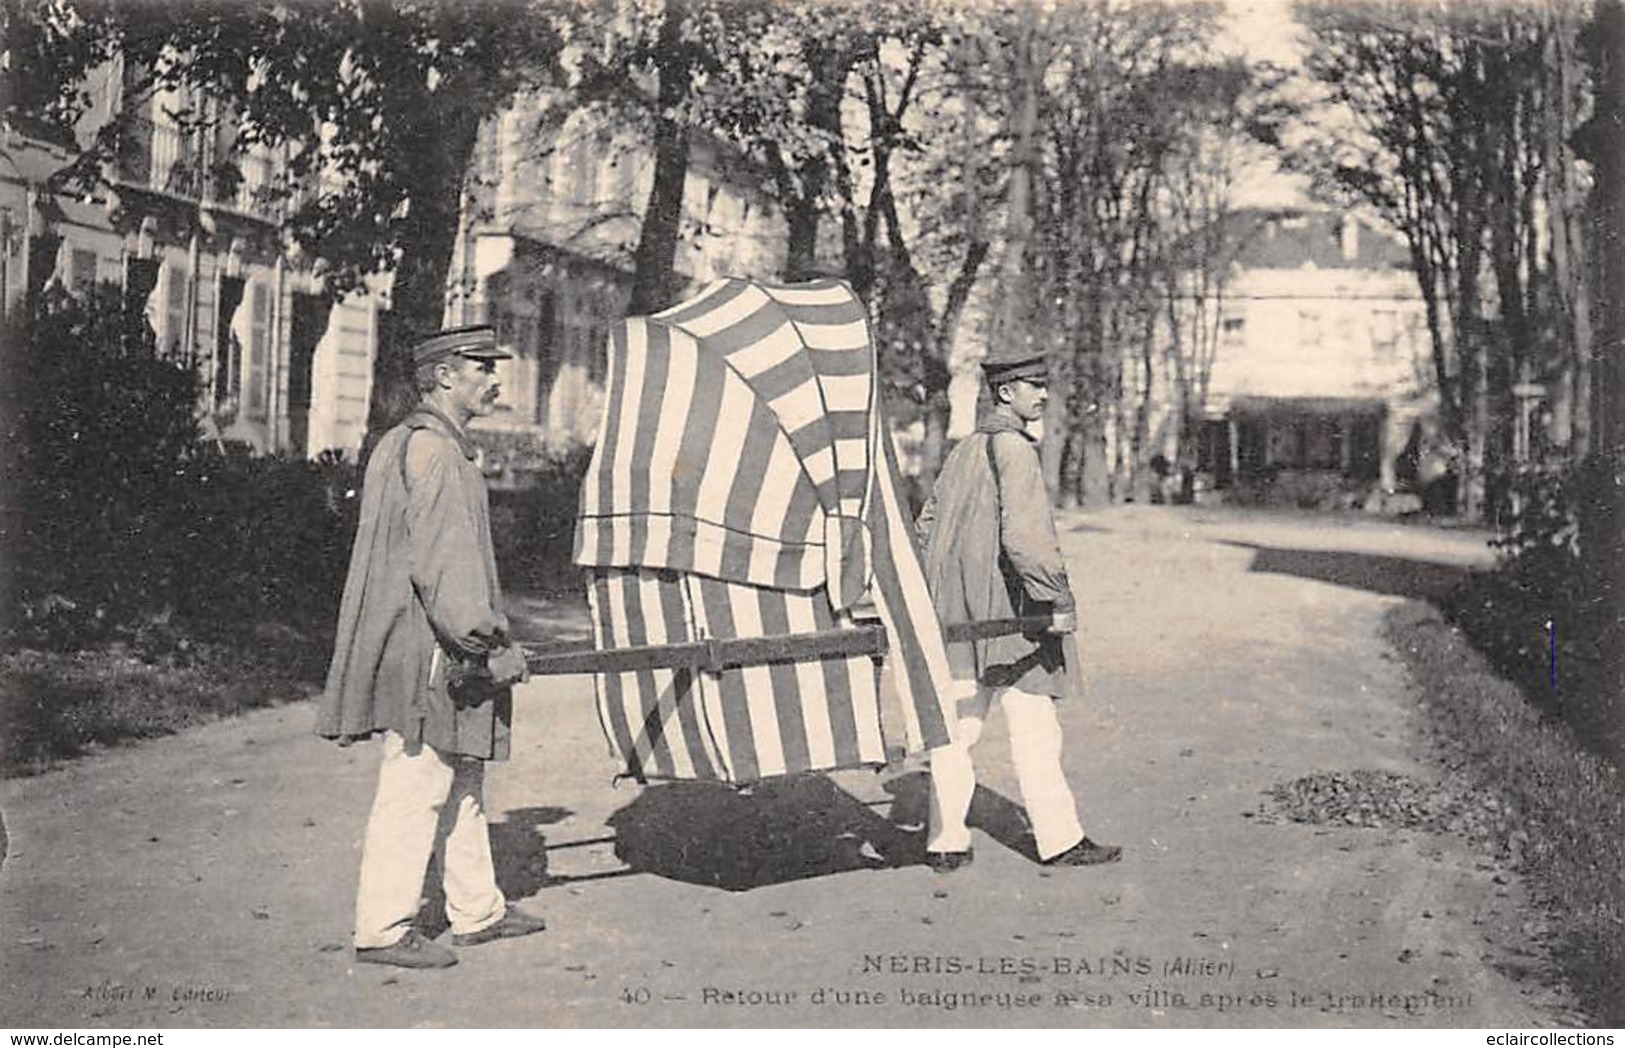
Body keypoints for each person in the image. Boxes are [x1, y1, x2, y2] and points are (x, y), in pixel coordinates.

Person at [317, 325, 545, 969]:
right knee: (416, 780)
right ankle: (384, 930)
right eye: (483, 367)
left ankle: (477, 911)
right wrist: (489, 642)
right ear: (444, 375)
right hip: (433, 647)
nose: (495, 379)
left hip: (427, 639)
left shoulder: (408, 441)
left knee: (462, 772)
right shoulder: (437, 454)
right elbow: (446, 571)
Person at [915, 348, 1122, 873]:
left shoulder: (963, 450)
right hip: (1011, 618)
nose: (1044, 395)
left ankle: (945, 843)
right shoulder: (1016, 450)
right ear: (1007, 393)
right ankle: (1060, 840)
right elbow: (1027, 539)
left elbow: (927, 525)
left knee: (957, 727)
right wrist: (1057, 599)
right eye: (1035, 385)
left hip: (955, 616)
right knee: (1035, 730)